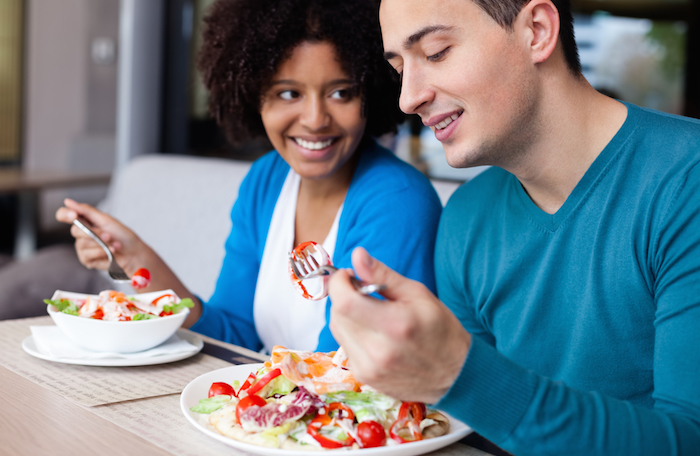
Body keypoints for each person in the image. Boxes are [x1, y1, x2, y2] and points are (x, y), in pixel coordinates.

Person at [328, 0, 700, 454]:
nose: (408, 97)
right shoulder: (466, 218)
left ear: (538, 32)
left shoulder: (687, 181)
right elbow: (474, 436)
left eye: (437, 51)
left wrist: (458, 374)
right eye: (400, 67)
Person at [56, 0, 442, 354]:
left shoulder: (397, 201)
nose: (314, 120)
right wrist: (136, 255)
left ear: (370, 95)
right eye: (288, 94)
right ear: (253, 96)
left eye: (341, 93)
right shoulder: (266, 181)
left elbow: (347, 371)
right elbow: (230, 336)